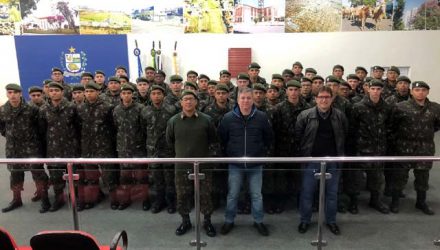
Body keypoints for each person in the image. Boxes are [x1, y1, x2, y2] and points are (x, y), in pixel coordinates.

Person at [218, 87, 273, 236]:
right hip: (235, 165)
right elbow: (222, 139)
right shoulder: (228, 118)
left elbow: (269, 138)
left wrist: (261, 154)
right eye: (242, 98)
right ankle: (229, 220)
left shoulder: (261, 117)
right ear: (237, 100)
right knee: (233, 194)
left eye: (249, 98)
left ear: (253, 99)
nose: (246, 101)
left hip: (256, 164)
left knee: (256, 195)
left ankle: (258, 221)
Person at [295, 86, 348, 235]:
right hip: (310, 161)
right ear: (315, 99)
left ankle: (331, 221)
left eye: (327, 97)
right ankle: (305, 220)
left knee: (331, 194)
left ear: (332, 99)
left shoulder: (340, 116)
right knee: (307, 192)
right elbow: (298, 137)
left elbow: (345, 134)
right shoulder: (305, 115)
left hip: (333, 161)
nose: (324, 100)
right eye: (321, 97)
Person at [166, 90, 218, 237]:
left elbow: (214, 141)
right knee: (182, 195)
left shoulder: (206, 120)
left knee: (205, 195)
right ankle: (185, 221)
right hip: (182, 168)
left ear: (196, 102)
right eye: (185, 99)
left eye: (191, 99)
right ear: (181, 102)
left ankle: (207, 222)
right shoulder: (173, 121)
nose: (188, 102)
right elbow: (169, 142)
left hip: (203, 167)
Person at [389, 81, 440, 215]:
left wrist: (424, 133)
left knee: (422, 176)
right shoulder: (400, 107)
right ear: (412, 92)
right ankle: (395, 201)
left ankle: (421, 202)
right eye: (417, 90)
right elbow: (392, 126)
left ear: (428, 92)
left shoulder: (435, 108)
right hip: (404, 147)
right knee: (400, 176)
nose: (420, 92)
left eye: (423, 90)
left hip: (425, 148)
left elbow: (437, 125)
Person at [0, 84, 49, 213]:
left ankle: (44, 198)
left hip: (31, 147)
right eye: (10, 92)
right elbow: (2, 127)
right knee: (15, 174)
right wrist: (10, 135)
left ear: (21, 94)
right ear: (7, 94)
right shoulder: (3, 109)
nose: (13, 95)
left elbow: (40, 128)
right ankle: (17, 199)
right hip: (13, 148)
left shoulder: (31, 109)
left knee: (38, 173)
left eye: (16, 92)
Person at [348, 79, 393, 214]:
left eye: (378, 89)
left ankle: (375, 200)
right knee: (356, 178)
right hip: (361, 148)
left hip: (379, 149)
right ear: (368, 89)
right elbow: (352, 128)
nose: (375, 91)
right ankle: (354, 202)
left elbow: (390, 126)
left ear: (382, 90)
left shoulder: (386, 107)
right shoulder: (358, 107)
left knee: (377, 177)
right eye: (373, 89)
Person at [38, 82, 80, 212]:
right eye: (51, 91)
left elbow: (78, 127)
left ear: (62, 92)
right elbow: (42, 130)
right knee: (56, 177)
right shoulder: (44, 109)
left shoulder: (71, 107)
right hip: (53, 149)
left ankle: (77, 199)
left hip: (70, 149)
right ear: (48, 93)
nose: (54, 93)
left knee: (74, 177)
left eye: (57, 90)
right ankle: (59, 199)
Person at [113, 84, 149, 210]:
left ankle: (144, 199)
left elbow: (144, 128)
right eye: (124, 93)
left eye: (129, 93)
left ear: (133, 94)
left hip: (138, 148)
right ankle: (125, 199)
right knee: (125, 177)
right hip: (123, 149)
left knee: (141, 177)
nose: (126, 95)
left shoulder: (141, 108)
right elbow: (115, 127)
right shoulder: (116, 110)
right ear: (121, 95)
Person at [143, 85, 178, 214]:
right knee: (157, 179)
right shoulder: (145, 111)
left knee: (169, 179)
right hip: (153, 150)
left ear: (163, 95)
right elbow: (142, 130)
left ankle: (171, 202)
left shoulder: (171, 110)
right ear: (150, 95)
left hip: (168, 150)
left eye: (159, 93)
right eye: (154, 93)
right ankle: (159, 201)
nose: (156, 96)